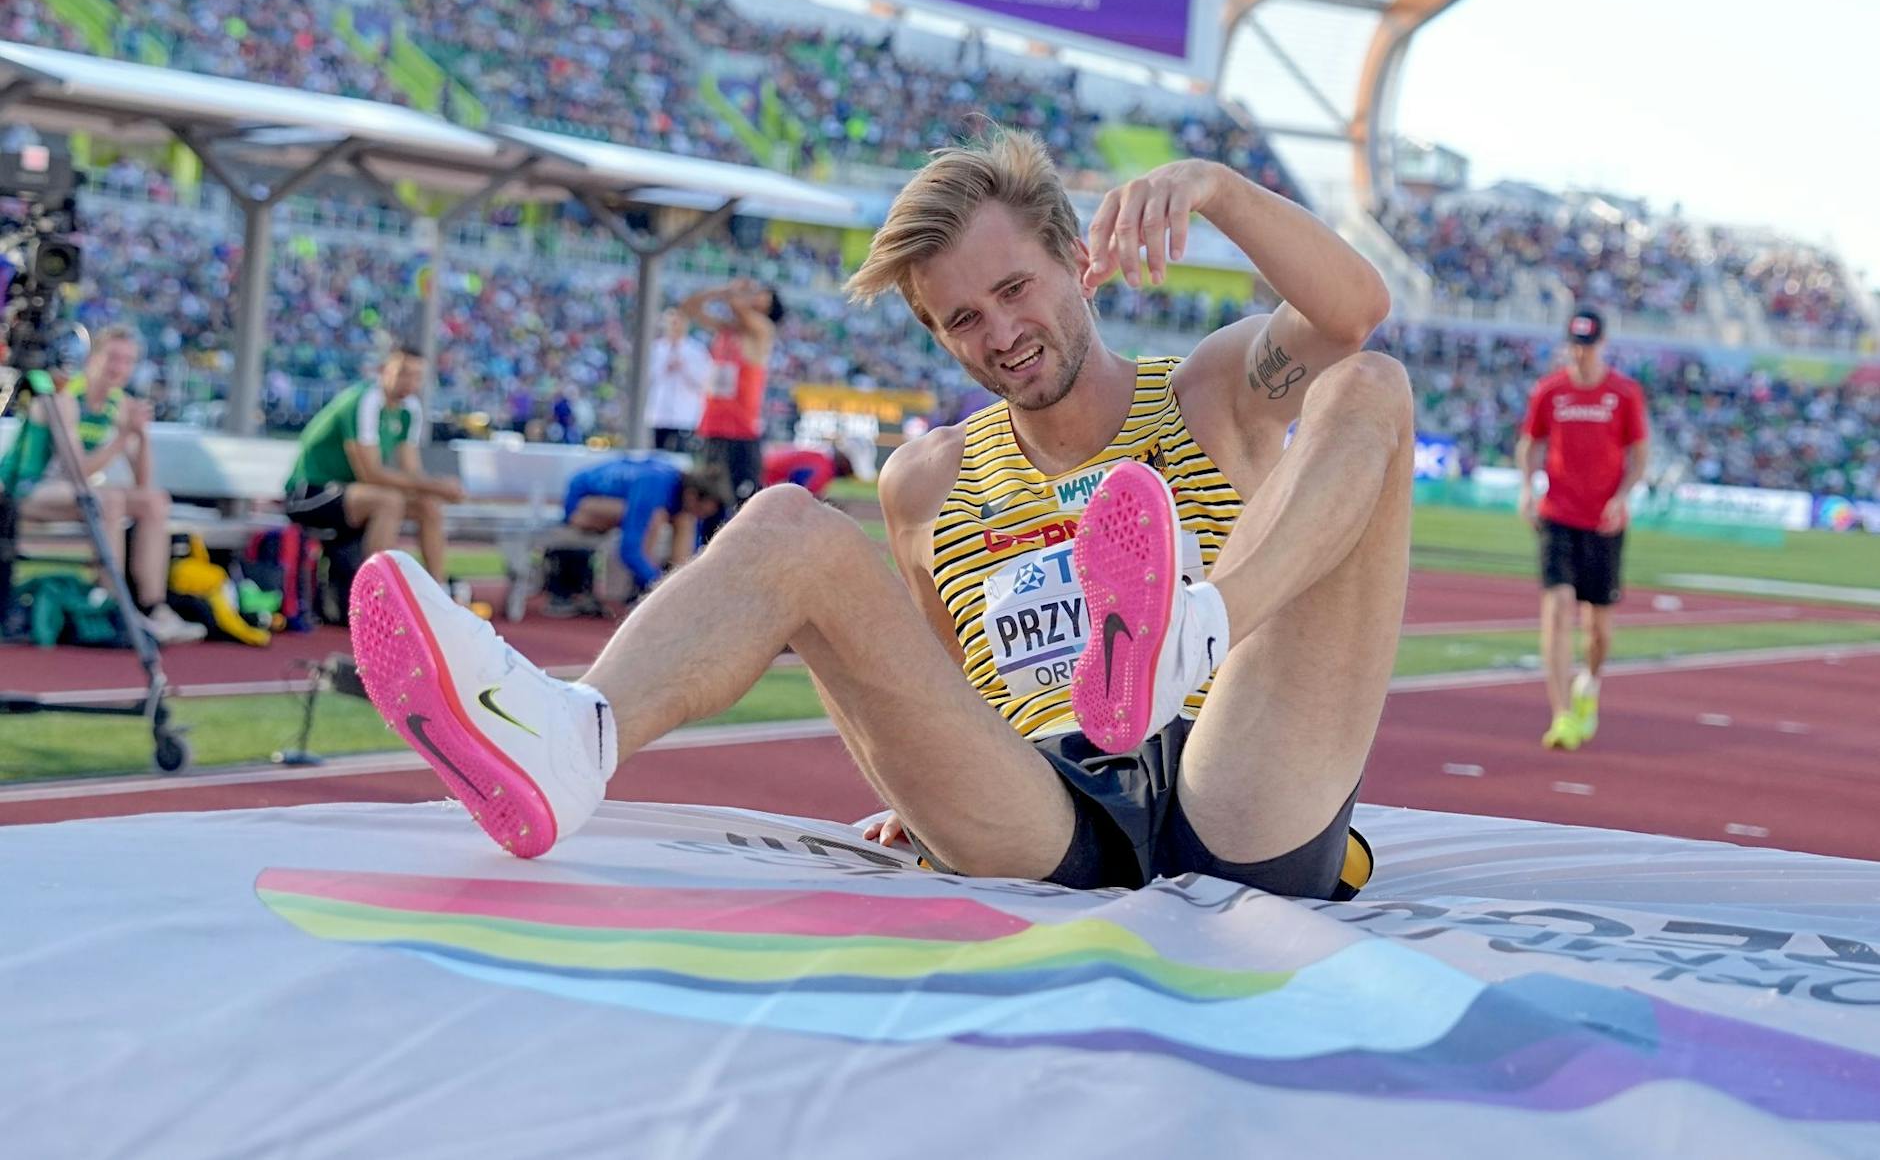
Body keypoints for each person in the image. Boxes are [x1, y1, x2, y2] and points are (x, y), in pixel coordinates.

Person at [348, 130, 1404, 902]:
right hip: (1048, 809)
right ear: (937, 335)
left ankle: (1193, 630)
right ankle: (567, 740)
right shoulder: (926, 482)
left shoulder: (1210, 393)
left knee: (1372, 386)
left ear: (1077, 262)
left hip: (1238, 778)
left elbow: (1353, 311)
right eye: (963, 318)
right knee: (786, 524)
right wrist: (928, 777)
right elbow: (937, 679)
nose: (1002, 333)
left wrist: (1214, 185)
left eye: (1014, 289)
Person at [1, 326, 206, 644]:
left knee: (154, 502)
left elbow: (142, 483)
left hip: (73, 494)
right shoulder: (66, 398)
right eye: (112, 358)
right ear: (92, 358)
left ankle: (155, 607)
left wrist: (139, 434)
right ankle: (115, 605)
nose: (118, 368)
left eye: (127, 361)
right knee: (108, 500)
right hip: (26, 490)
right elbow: (77, 472)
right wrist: (122, 437)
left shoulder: (119, 403)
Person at [1516, 309, 1650, 751]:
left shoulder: (1624, 393)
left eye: (1588, 345)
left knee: (1599, 631)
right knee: (1557, 607)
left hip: (1604, 522)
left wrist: (1622, 496)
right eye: (1575, 344)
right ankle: (1560, 714)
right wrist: (1527, 488)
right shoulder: (1550, 390)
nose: (1581, 353)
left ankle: (1589, 684)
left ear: (1602, 345)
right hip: (1558, 514)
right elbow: (1530, 443)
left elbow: (1639, 455)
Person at [284, 344, 463, 583]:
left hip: (350, 494)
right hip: (310, 492)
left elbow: (412, 472)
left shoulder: (410, 409)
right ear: (383, 370)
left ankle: (439, 590)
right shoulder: (364, 401)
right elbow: (370, 474)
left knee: (428, 505)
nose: (410, 382)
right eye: (403, 373)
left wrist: (433, 490)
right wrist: (438, 486)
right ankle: (375, 590)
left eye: (417, 376)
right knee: (389, 501)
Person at [547, 457, 732, 613]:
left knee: (684, 520)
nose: (701, 518)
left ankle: (682, 587)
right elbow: (629, 549)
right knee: (654, 518)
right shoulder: (655, 486)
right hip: (580, 503)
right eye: (701, 511)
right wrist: (659, 585)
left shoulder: (683, 495)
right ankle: (648, 590)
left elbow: (693, 545)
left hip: (621, 500)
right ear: (692, 496)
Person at [686, 279, 780, 531]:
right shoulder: (725, 329)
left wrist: (736, 292)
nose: (753, 295)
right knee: (708, 499)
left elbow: (739, 307)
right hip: (713, 427)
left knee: (744, 501)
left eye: (760, 294)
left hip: (741, 431)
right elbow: (690, 306)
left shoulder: (761, 330)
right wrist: (720, 290)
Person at [643, 309, 712, 454]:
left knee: (681, 454)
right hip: (659, 414)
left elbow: (704, 382)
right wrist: (664, 367)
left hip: (684, 415)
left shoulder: (697, 350)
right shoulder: (656, 349)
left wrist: (685, 368)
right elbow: (645, 377)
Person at [760, 441, 854, 499]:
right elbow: (803, 493)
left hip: (764, 461)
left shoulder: (820, 457)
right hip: (765, 474)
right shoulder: (825, 469)